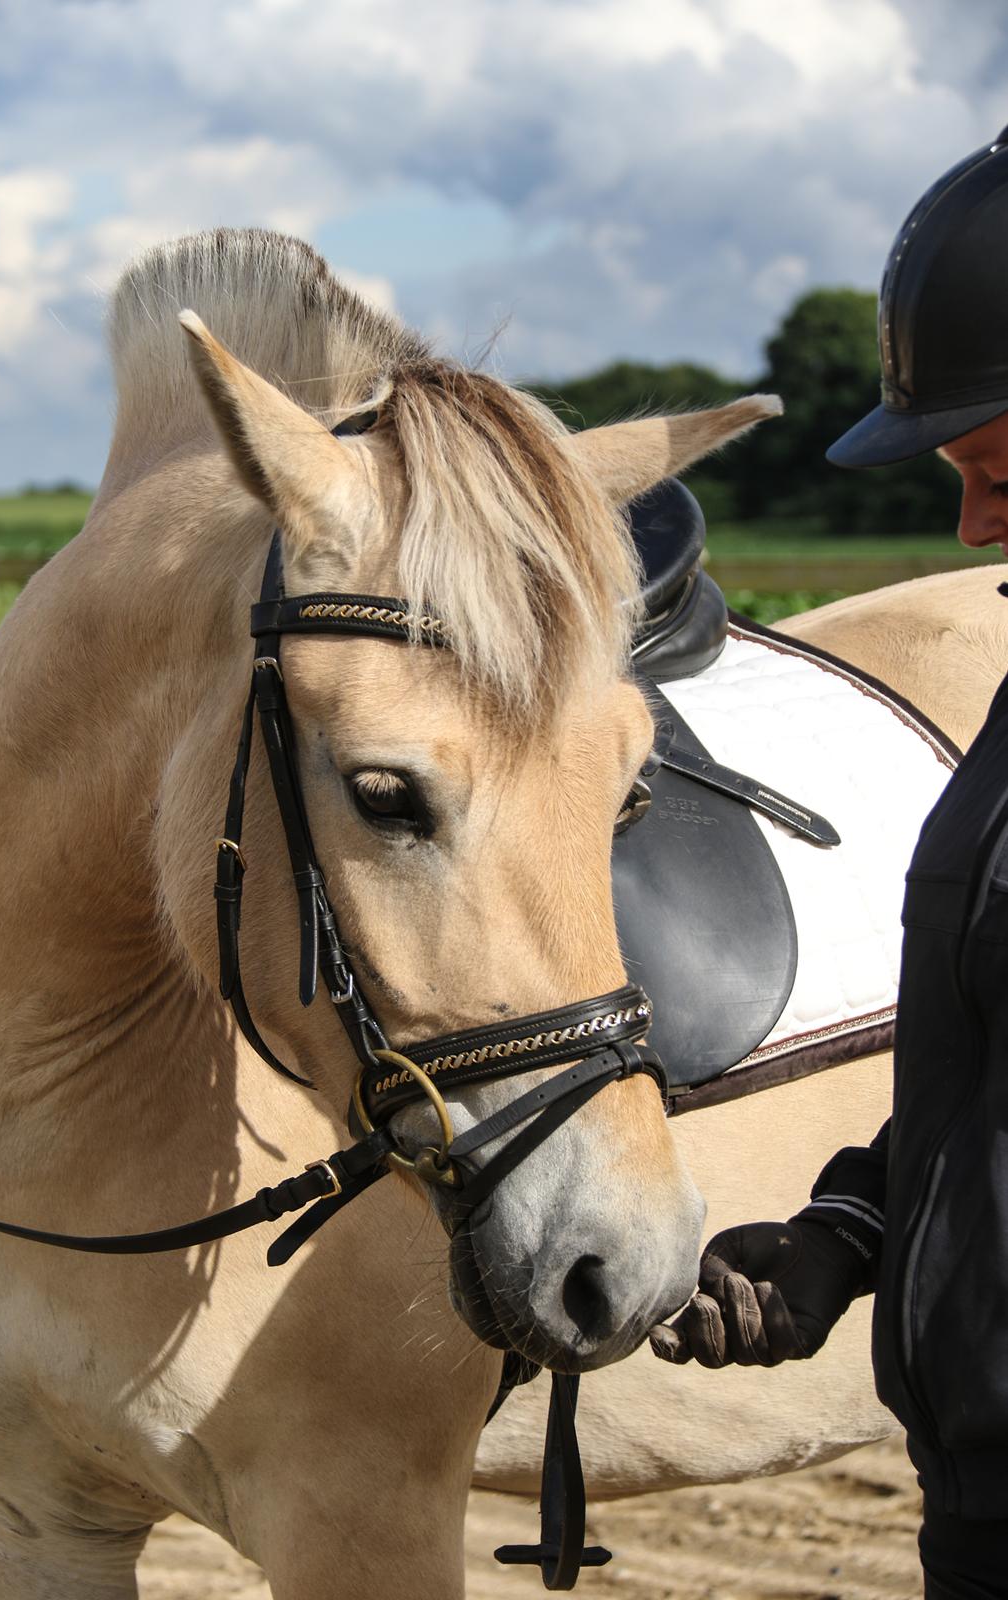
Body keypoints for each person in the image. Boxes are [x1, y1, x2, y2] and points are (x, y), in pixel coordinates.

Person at [649, 125, 1008, 1600]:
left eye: (1007, 477)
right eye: (963, 482)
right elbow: (983, 1080)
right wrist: (845, 1234)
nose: (979, 531)